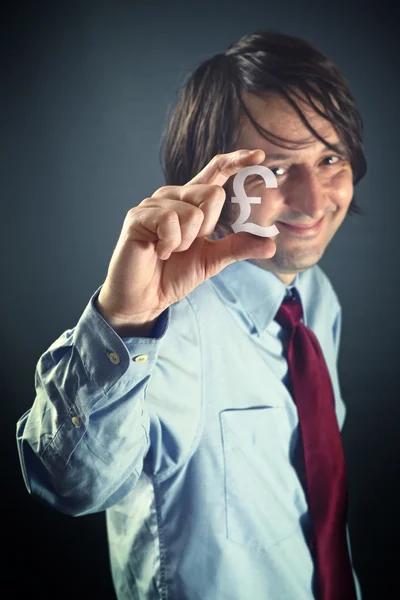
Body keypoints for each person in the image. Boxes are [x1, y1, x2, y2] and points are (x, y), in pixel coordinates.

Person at [16, 29, 367, 600]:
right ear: (215, 181)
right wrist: (124, 319)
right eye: (276, 169)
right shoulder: (168, 326)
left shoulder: (316, 299)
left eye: (329, 157)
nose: (313, 198)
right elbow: (68, 483)